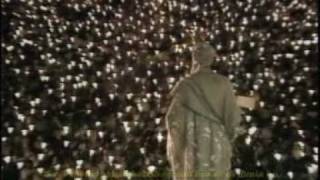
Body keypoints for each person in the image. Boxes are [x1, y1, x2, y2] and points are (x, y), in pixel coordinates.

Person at [166, 42, 244, 180]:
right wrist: (230, 136)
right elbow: (233, 118)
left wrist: (177, 146)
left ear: (194, 59)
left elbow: (173, 118)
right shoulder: (223, 83)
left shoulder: (185, 85)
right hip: (217, 141)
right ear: (212, 59)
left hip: (192, 141)